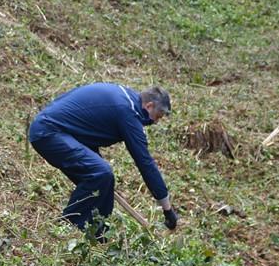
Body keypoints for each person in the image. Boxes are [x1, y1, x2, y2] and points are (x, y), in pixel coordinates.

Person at [29, 83, 178, 234]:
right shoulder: (128, 112)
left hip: (55, 129)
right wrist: (167, 209)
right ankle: (67, 228)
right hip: (49, 132)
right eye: (157, 116)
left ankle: (98, 233)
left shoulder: (126, 99)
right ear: (149, 106)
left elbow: (86, 129)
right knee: (101, 173)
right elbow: (145, 163)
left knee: (103, 181)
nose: (156, 122)